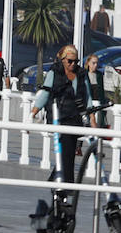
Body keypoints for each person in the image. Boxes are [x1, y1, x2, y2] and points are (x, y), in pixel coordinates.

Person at [32, 43, 96, 185]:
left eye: (76, 61)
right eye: (70, 61)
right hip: (59, 117)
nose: (73, 64)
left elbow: (88, 96)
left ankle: (57, 177)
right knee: (66, 148)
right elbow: (45, 93)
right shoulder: (54, 72)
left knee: (70, 150)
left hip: (75, 117)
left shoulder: (81, 74)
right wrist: (33, 112)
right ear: (63, 60)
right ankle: (67, 182)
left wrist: (92, 118)